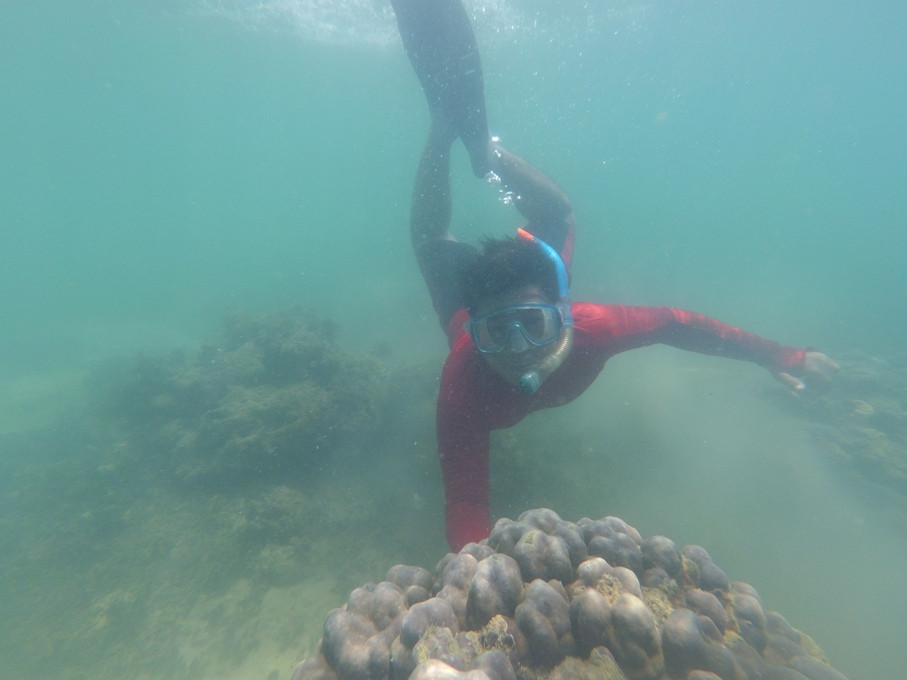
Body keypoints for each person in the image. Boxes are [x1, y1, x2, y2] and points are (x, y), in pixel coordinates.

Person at [392, 0, 839, 551]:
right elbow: (466, 501)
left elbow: (679, 323)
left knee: (557, 218)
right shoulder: (462, 384)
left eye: (532, 325)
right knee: (433, 243)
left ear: (561, 312)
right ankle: (443, 131)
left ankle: (484, 152)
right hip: (471, 301)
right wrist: (473, 582)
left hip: (527, 284)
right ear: (476, 337)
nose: (518, 351)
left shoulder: (592, 327)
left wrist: (782, 355)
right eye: (497, 334)